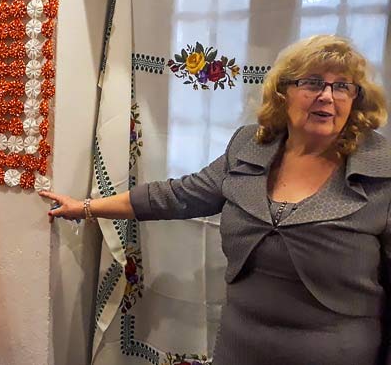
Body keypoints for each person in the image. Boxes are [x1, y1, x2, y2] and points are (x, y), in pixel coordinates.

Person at [40, 35, 391, 365]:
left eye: (342, 86)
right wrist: (85, 207)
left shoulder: (381, 170)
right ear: (284, 92)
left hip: (336, 352)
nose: (327, 96)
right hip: (240, 348)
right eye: (312, 83)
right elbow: (179, 196)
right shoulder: (251, 146)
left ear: (356, 98)